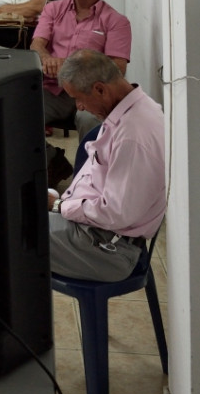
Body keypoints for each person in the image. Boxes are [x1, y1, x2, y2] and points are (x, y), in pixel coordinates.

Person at [47, 49, 165, 282]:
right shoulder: (129, 110)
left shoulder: (133, 135)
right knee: (12, 218)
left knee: (6, 237)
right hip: (94, 231)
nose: (78, 107)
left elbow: (116, 213)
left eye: (78, 98)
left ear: (100, 89)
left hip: (107, 248)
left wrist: (60, 205)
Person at [30, 0, 131, 187]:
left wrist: (69, 65)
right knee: (20, 112)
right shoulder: (54, 9)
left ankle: (89, 183)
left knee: (91, 121)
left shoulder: (115, 21)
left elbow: (118, 67)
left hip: (90, 94)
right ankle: (52, 160)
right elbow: (37, 45)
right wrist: (46, 59)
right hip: (53, 89)